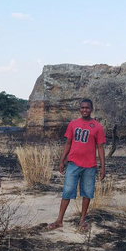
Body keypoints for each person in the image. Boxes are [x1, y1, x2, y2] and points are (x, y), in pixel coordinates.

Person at [48, 98, 106, 231]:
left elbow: (100, 148)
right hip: (73, 164)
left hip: (89, 166)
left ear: (91, 109)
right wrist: (62, 160)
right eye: (82, 107)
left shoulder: (97, 127)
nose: (85, 110)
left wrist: (103, 167)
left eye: (87, 108)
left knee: (87, 193)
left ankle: (82, 220)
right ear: (79, 109)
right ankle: (59, 220)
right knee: (67, 191)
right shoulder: (73, 124)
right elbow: (68, 143)